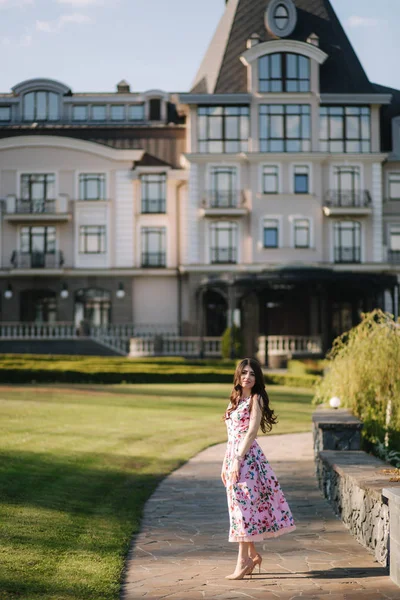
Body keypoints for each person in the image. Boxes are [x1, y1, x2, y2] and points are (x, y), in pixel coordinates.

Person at [221, 357, 296, 580]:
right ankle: (252, 555)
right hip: (234, 457)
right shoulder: (234, 399)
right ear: (238, 375)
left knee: (242, 511)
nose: (247, 377)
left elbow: (252, 431)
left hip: (247, 461)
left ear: (257, 378)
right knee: (239, 509)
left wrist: (237, 459)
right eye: (244, 373)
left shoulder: (257, 398)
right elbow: (230, 435)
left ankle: (243, 561)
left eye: (252, 374)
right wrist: (226, 461)